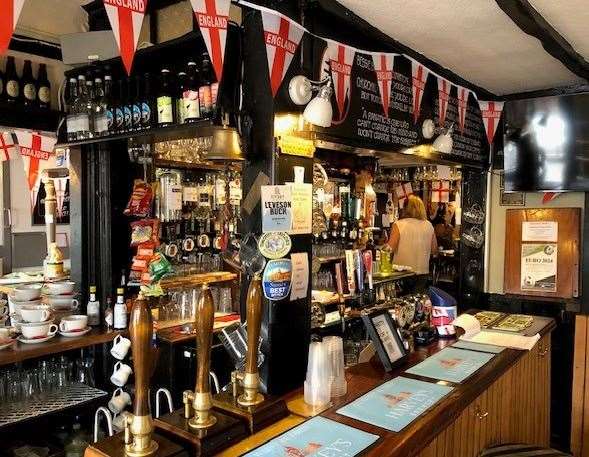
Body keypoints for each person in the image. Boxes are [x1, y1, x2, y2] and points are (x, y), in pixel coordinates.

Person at [387, 195, 437, 289]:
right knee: (417, 300)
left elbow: (390, 249)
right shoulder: (429, 225)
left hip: (402, 273)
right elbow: (434, 250)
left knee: (401, 301)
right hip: (422, 273)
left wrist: (382, 247)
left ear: (406, 208)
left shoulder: (399, 225)